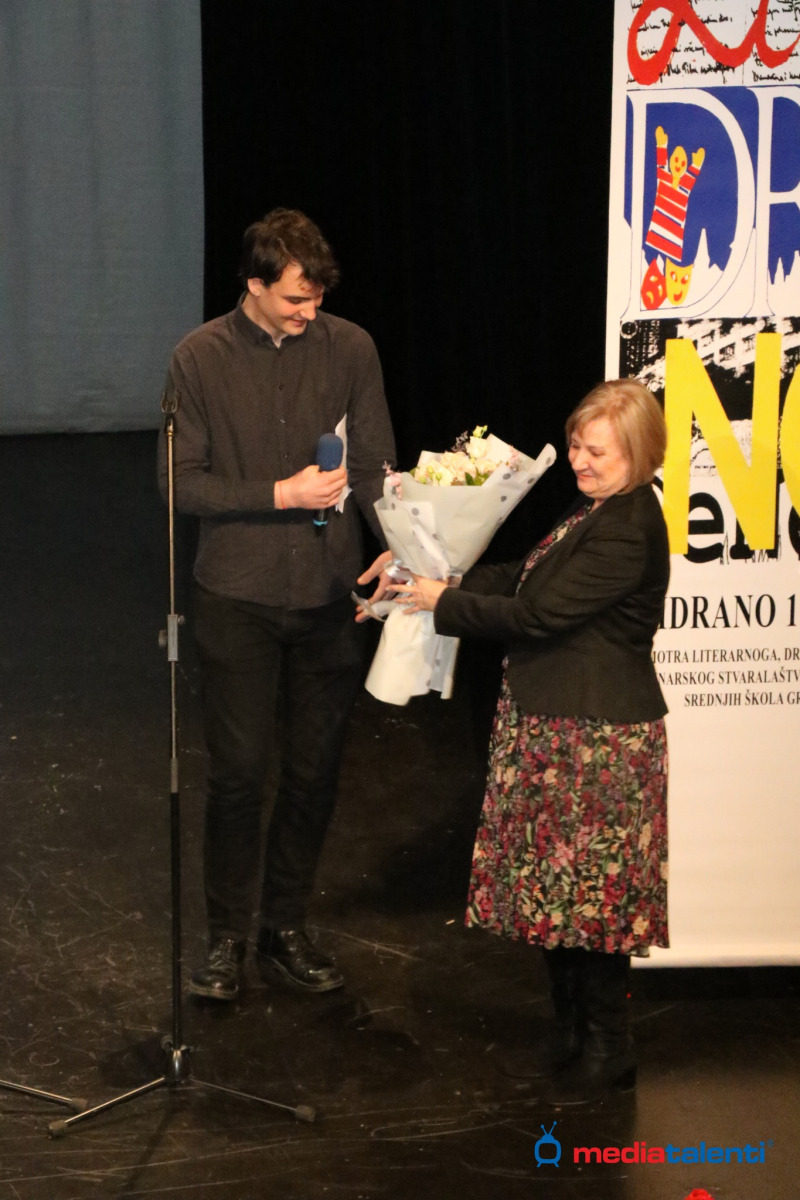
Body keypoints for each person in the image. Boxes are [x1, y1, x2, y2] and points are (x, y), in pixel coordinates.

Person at [361, 379, 669, 1105]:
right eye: (576, 445)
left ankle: (609, 1049)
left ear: (638, 453)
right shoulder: (594, 509)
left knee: (592, 905)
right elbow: (524, 575)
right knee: (556, 897)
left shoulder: (628, 527)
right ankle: (570, 1033)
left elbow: (537, 615)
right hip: (557, 732)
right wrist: (439, 573)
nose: (579, 461)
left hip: (597, 744)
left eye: (597, 451)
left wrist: (443, 602)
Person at [159, 208, 396, 1002]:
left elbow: (375, 465)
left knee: (313, 772)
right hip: (238, 597)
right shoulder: (199, 358)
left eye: (318, 296)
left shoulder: (351, 348)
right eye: (296, 297)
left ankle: (284, 927)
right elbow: (178, 482)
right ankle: (226, 938)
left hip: (328, 595)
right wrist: (279, 495)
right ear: (254, 284)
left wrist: (402, 544)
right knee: (238, 776)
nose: (309, 311)